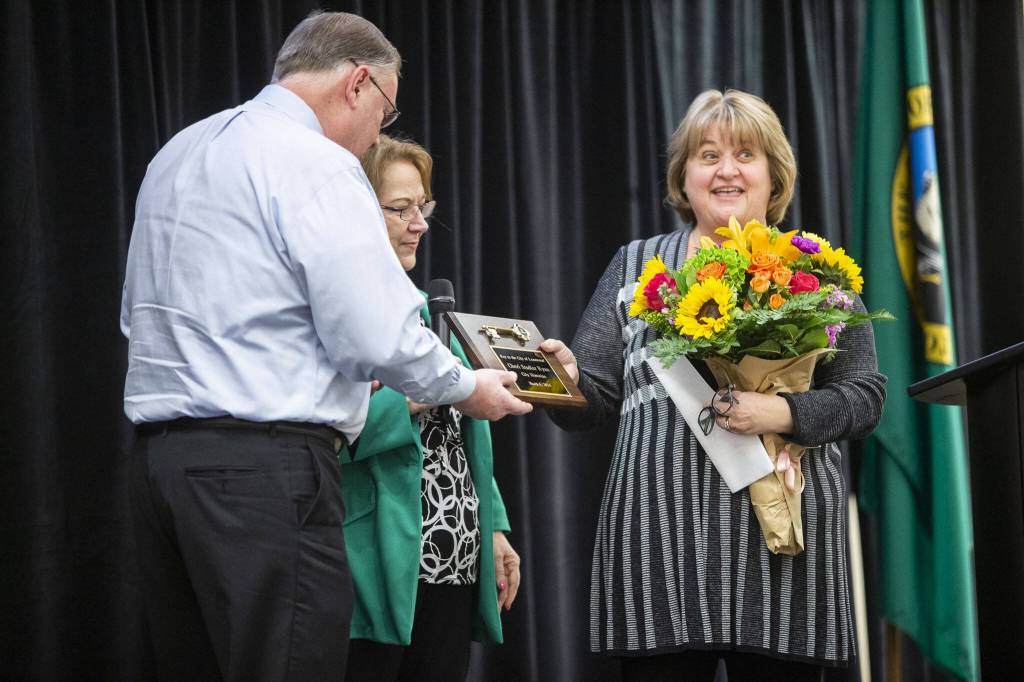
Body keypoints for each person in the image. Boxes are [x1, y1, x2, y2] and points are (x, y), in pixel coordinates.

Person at [121, 12, 530, 682]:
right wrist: (466, 386)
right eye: (386, 113)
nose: (379, 134)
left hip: (160, 468)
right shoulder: (318, 163)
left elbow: (134, 319)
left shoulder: (178, 153)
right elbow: (377, 333)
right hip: (266, 471)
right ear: (358, 84)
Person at [540, 89, 886, 681]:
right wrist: (561, 382)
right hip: (661, 544)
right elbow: (591, 401)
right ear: (684, 177)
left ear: (775, 177)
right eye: (707, 155)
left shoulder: (817, 272)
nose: (726, 170)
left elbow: (865, 398)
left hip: (785, 548)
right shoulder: (635, 267)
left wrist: (779, 414)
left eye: (745, 155)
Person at [341, 134, 521, 682]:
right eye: (400, 208)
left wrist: (492, 527)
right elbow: (332, 435)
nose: (418, 223)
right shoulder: (337, 313)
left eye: (423, 206)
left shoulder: (425, 312)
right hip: (380, 567)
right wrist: (426, 392)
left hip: (454, 563)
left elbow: (462, 441)